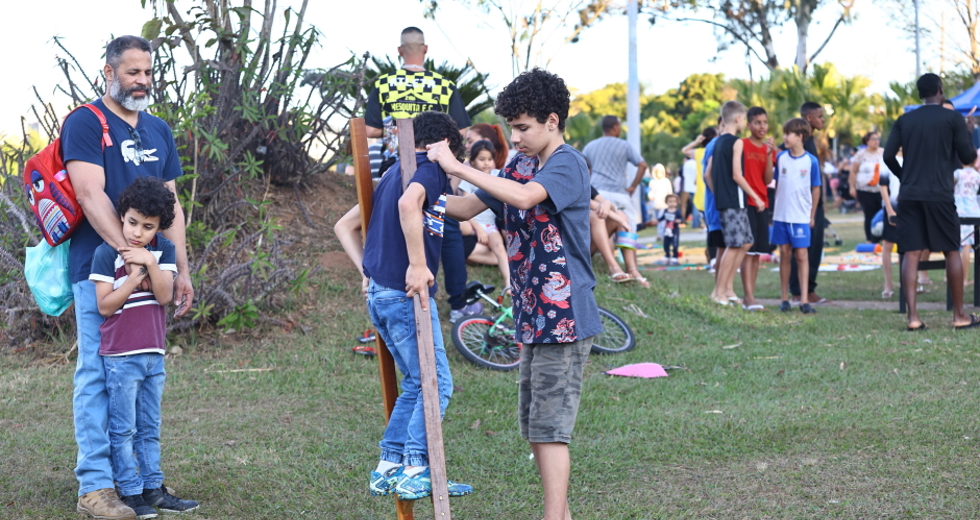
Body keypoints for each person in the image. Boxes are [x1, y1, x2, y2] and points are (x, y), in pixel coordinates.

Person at [426, 68, 602, 520]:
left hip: (565, 317)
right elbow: (470, 207)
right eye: (511, 128)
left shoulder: (567, 163)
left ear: (552, 120)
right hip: (533, 314)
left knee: (551, 430)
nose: (515, 137)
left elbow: (524, 199)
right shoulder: (519, 164)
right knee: (535, 428)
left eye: (522, 127)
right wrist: (421, 196)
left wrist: (458, 166)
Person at [62, 35, 193, 520]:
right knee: (98, 376)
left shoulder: (158, 129)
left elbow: (173, 206)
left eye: (148, 73)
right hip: (99, 270)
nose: (142, 81)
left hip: (153, 273)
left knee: (143, 377)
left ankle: (140, 484)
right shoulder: (85, 122)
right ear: (109, 72)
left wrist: (177, 267)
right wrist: (129, 254)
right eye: (133, 72)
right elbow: (89, 193)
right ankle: (94, 488)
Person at [333, 111, 475, 500]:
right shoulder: (428, 169)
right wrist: (417, 263)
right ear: (441, 147)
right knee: (437, 383)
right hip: (404, 294)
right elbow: (410, 206)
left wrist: (367, 268)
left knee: (415, 382)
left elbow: (343, 227)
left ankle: (388, 467)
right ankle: (415, 469)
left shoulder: (396, 172)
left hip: (383, 295)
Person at [89, 177, 199, 518]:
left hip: (153, 355)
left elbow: (165, 296)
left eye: (147, 227)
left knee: (150, 426)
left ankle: (153, 488)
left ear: (159, 228)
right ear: (122, 216)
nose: (137, 232)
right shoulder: (106, 253)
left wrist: (149, 263)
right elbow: (105, 306)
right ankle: (131, 492)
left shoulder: (163, 250)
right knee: (123, 429)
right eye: (132, 222)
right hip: (121, 357)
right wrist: (135, 277)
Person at [363, 26, 477, 323]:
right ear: (425, 50)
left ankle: (386, 289)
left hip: (395, 167)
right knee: (448, 231)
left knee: (389, 224)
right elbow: (461, 130)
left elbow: (369, 129)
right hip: (431, 166)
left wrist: (395, 123)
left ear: (400, 51)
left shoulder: (385, 83)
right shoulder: (443, 85)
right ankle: (457, 303)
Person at [883, 73, 979, 331]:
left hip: (910, 195)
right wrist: (967, 132)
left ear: (920, 94)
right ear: (940, 89)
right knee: (951, 250)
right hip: (940, 194)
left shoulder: (905, 120)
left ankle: (913, 318)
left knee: (911, 253)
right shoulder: (952, 118)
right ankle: (960, 316)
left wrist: (905, 176)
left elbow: (888, 155)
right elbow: (969, 156)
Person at [582, 115, 649, 285]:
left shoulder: (590, 146)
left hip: (598, 191)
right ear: (615, 128)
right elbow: (642, 165)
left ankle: (622, 268)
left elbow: (583, 166)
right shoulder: (625, 145)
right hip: (618, 192)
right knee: (628, 229)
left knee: (620, 220)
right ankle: (629, 267)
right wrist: (633, 186)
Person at [706, 101, 761, 306]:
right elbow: (737, 175)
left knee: (746, 241)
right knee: (734, 244)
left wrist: (718, 192)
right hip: (735, 201)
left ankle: (727, 288)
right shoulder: (737, 142)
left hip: (726, 201)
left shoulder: (717, 142)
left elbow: (707, 174)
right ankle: (718, 291)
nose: (745, 123)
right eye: (745, 119)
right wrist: (754, 196)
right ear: (738, 119)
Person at [772, 119, 821, 315]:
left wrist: (812, 215)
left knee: (801, 256)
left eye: (788, 134)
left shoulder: (811, 161)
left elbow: (816, 188)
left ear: (800, 137)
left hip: (800, 215)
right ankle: (784, 298)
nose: (784, 138)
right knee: (784, 254)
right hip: (781, 215)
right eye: (784, 134)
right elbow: (772, 181)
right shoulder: (781, 157)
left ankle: (803, 299)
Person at [789, 101, 829, 305]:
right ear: (808, 118)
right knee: (803, 247)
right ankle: (798, 291)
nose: (823, 120)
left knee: (815, 248)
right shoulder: (799, 143)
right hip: (802, 205)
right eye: (819, 116)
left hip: (816, 204)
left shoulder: (812, 141)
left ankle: (809, 288)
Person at [458, 139, 511, 290]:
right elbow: (464, 208)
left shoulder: (497, 175)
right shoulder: (468, 178)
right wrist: (478, 229)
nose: (486, 163)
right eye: (482, 159)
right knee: (459, 225)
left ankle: (508, 282)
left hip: (490, 225)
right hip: (472, 223)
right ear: (473, 161)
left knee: (499, 247)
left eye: (489, 159)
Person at [739, 106, 776, 311]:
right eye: (757, 122)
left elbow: (768, 179)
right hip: (746, 203)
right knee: (747, 251)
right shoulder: (742, 145)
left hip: (762, 203)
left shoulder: (767, 149)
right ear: (748, 124)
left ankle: (751, 296)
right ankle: (748, 296)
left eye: (764, 122)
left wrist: (770, 154)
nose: (762, 126)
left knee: (757, 253)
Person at [849, 132, 887, 243]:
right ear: (867, 141)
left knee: (883, 213)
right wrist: (852, 187)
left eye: (878, 139)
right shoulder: (860, 155)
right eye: (874, 139)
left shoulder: (883, 152)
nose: (876, 141)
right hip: (865, 190)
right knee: (869, 214)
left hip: (881, 189)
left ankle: (884, 238)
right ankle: (870, 239)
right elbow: (853, 172)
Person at [953, 156, 980, 288]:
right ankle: (965, 277)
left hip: (959, 211)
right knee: (968, 245)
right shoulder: (977, 175)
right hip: (974, 211)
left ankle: (958, 278)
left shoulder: (958, 173)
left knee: (956, 246)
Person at [658, 193, 683, 264]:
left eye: (674, 201)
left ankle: (675, 256)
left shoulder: (677, 211)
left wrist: (679, 220)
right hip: (667, 231)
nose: (672, 203)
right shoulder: (666, 210)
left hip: (674, 232)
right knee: (666, 244)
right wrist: (656, 221)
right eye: (670, 201)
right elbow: (662, 218)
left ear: (677, 202)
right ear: (666, 202)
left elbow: (682, 219)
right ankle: (667, 255)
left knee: (675, 244)